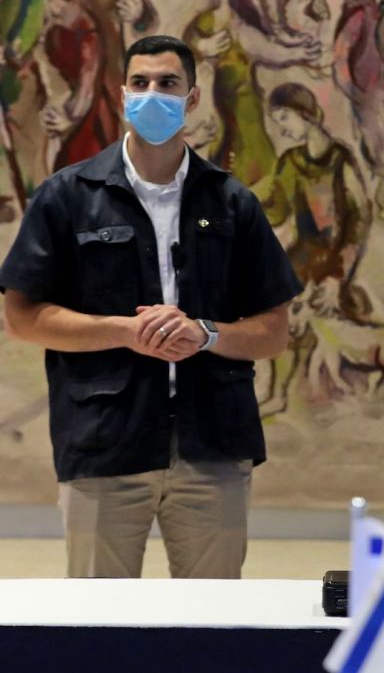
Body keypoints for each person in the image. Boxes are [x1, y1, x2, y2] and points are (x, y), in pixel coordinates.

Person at [0, 34, 303, 579]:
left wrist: (205, 334)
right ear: (122, 95)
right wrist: (124, 331)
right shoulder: (68, 196)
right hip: (104, 445)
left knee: (214, 628)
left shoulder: (233, 203)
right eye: (140, 83)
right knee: (99, 626)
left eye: (168, 84)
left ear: (191, 99)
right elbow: (22, 317)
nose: (152, 95)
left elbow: (274, 331)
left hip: (212, 446)